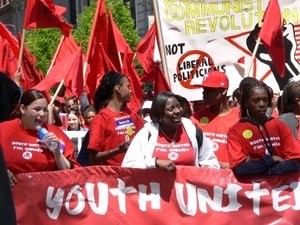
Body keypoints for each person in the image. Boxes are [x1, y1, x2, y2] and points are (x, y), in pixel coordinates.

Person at [121, 92, 219, 170]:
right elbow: (128, 165)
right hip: (156, 194)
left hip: (188, 194)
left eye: (179, 106)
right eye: (171, 109)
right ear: (159, 116)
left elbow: (211, 164)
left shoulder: (194, 132)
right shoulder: (146, 134)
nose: (177, 111)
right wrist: (155, 163)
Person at [0, 89, 79, 186]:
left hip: (45, 197)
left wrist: (57, 154)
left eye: (45, 110)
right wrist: (3, 173)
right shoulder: (3, 130)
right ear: (23, 109)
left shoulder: (55, 133)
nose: (42, 114)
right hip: (11, 197)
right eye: (37, 109)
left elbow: (71, 172)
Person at [227, 80, 300, 176]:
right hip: (251, 190)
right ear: (246, 102)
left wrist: (267, 170)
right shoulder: (235, 131)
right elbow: (240, 169)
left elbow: (296, 160)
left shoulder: (279, 126)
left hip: (281, 189)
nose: (262, 104)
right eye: (256, 100)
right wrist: (272, 160)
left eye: (265, 100)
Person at [87, 71, 144, 166]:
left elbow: (146, 141)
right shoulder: (100, 119)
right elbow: (93, 158)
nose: (131, 91)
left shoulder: (132, 115)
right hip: (113, 177)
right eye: (128, 86)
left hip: (135, 176)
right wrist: (118, 150)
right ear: (118, 89)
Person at [190, 71, 239, 169]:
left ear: (224, 91)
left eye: (209, 90)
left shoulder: (239, 118)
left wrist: (230, 166)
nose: (204, 93)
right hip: (204, 179)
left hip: (233, 180)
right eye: (204, 89)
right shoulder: (195, 119)